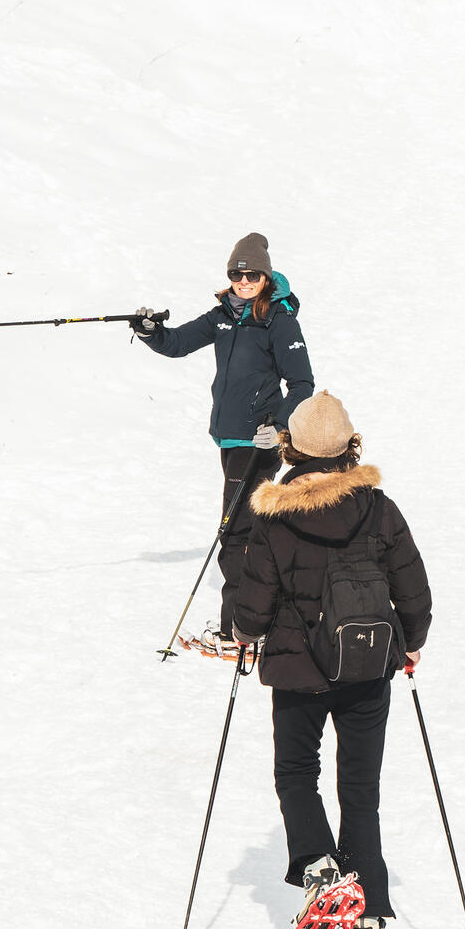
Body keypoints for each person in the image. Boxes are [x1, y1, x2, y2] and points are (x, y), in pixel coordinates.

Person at [232, 391, 432, 929]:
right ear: (350, 445)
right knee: (360, 792)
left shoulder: (274, 516)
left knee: (296, 772)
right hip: (370, 666)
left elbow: (255, 598)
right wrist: (412, 640)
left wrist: (244, 633)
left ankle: (321, 869)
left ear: (292, 449)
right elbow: (412, 585)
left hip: (299, 668)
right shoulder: (380, 507)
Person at [131, 233, 315, 646]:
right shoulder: (223, 316)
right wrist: (148, 332)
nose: (244, 280)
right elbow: (177, 343)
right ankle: (264, 624)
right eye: (236, 272)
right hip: (230, 441)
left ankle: (239, 632)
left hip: (259, 443)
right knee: (252, 534)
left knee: (235, 537)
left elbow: (302, 383)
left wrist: (279, 427)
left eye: (251, 274)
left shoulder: (279, 319)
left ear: (265, 277)